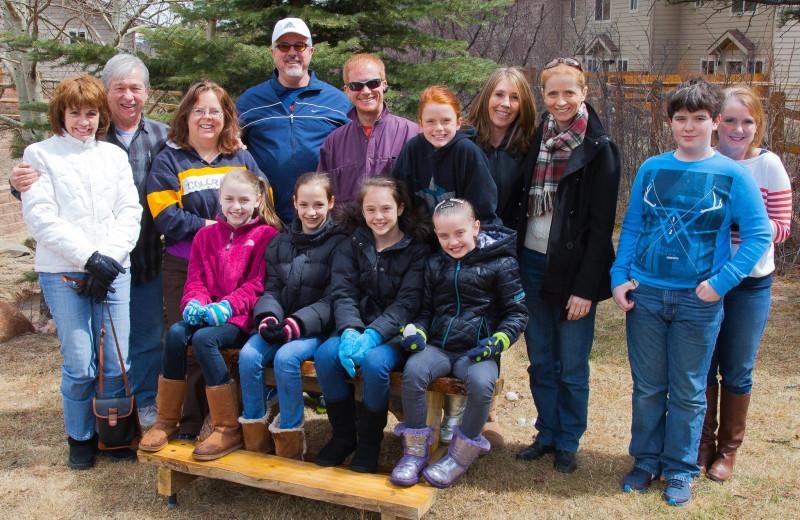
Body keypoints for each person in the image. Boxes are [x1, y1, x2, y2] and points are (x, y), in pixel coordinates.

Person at [611, 77, 771, 506]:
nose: (689, 127)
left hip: (697, 302)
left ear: (715, 122)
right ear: (669, 122)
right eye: (680, 118)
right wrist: (618, 276)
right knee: (648, 387)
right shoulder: (651, 168)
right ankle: (646, 461)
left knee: (687, 389)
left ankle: (680, 469)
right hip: (645, 296)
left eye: (699, 119)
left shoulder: (732, 174)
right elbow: (633, 226)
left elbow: (758, 235)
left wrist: (720, 283)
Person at [10, 54, 169, 427]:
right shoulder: (72, 142)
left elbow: (199, 160)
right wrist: (15, 184)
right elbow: (40, 200)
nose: (128, 96)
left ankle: (137, 409)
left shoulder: (166, 136)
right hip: (76, 262)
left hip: (138, 257)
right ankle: (89, 424)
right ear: (106, 93)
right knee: (85, 354)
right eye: (119, 89)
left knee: (141, 342)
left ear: (146, 92)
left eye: (135, 88)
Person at [20, 75, 142, 469]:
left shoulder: (113, 156)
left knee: (114, 362)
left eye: (91, 114)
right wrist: (90, 258)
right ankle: (80, 437)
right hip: (64, 272)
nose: (84, 122)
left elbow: (129, 211)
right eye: (76, 114)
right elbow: (41, 218)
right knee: (79, 359)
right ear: (62, 114)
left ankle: (114, 432)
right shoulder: (40, 155)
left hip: (112, 270)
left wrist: (108, 259)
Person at [514, 58, 620, 474]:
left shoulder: (600, 149)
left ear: (584, 94)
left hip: (573, 272)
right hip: (531, 263)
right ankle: (546, 433)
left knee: (572, 364)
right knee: (540, 359)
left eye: (569, 93)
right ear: (543, 96)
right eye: (552, 93)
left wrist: (585, 288)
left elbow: (599, 228)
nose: (561, 101)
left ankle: (569, 440)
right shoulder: (533, 140)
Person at [146, 79, 266, 438]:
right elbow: (165, 214)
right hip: (186, 265)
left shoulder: (241, 157)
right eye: (199, 110)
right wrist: (215, 227)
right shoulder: (169, 159)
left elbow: (264, 201)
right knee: (186, 343)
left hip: (239, 270)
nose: (207, 117)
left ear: (226, 117)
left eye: (215, 110)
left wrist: (231, 231)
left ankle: (233, 424)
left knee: (221, 341)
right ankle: (186, 424)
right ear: (187, 115)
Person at [139, 170, 281, 460]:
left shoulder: (267, 236)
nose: (236, 206)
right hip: (208, 312)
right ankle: (167, 419)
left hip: (242, 319)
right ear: (219, 199)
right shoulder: (205, 236)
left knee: (204, 339)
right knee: (177, 334)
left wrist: (226, 307)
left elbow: (258, 285)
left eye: (244, 200)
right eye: (229, 199)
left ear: (257, 200)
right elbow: (196, 280)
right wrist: (194, 302)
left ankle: (226, 426)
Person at [391, 198, 527, 488]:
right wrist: (419, 334)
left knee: (481, 384)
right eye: (443, 236)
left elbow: (517, 313)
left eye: (460, 233)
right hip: (439, 346)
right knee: (414, 371)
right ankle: (414, 453)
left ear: (476, 227)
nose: (452, 242)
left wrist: (498, 341)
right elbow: (426, 312)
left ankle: (459, 457)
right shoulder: (433, 264)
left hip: (478, 352)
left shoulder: (502, 263)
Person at [436, 67, 537, 449]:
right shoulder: (463, 141)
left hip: (503, 252)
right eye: (498, 95)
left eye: (514, 97)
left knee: (495, 324)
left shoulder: (527, 148)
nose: (505, 104)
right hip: (458, 247)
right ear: (486, 98)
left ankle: (485, 409)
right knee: (456, 320)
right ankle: (450, 407)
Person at [697, 86, 792, 482]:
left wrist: (745, 222)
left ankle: (727, 451)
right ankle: (700, 444)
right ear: (717, 123)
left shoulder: (768, 166)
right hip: (705, 281)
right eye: (730, 120)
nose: (738, 129)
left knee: (736, 368)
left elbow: (782, 228)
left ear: (758, 125)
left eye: (747, 121)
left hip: (750, 284)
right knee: (701, 367)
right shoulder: (704, 160)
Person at [313, 176, 431, 474]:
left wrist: (374, 335)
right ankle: (343, 435)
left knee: (376, 362)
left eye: (386, 208)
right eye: (371, 209)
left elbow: (407, 303)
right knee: (326, 356)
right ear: (362, 211)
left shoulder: (415, 250)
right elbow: (343, 291)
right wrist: (352, 329)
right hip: (356, 324)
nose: (378, 216)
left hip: (394, 332)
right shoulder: (352, 244)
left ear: (401, 208)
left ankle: (368, 443)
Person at [237, 172, 347, 460]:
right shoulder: (279, 243)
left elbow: (335, 298)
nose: (311, 212)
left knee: (287, 358)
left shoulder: (342, 244)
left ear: (331, 203)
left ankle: (289, 442)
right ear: (295, 203)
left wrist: (295, 325)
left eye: (319, 205)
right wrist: (268, 318)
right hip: (280, 324)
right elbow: (271, 288)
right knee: (249, 356)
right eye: (305, 204)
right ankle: (256, 442)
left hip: (315, 329)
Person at [237, 17, 352, 222]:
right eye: (283, 46)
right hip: (266, 219)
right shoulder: (250, 101)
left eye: (299, 45)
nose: (292, 52)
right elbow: (232, 150)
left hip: (320, 220)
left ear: (310, 51)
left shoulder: (337, 102)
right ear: (273, 53)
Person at [317, 53, 419, 206]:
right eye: (356, 86)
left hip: (399, 229)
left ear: (384, 84)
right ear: (347, 90)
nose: (365, 91)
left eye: (373, 83)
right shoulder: (334, 143)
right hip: (348, 230)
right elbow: (322, 197)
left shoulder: (412, 134)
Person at [391, 86, 500, 226]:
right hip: (421, 235)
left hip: (460, 236)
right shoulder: (412, 149)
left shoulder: (468, 152)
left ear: (458, 123)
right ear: (421, 124)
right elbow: (399, 195)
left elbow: (483, 209)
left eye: (446, 121)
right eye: (430, 121)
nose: (439, 128)